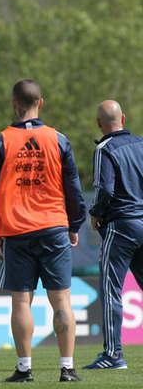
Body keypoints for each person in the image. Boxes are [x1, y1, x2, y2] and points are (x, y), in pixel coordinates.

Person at [0, 79, 86, 382]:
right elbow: (74, 188)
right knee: (62, 302)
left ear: (14, 103)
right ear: (40, 103)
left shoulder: (1, 142)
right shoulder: (58, 139)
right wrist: (75, 223)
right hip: (54, 225)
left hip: (16, 230)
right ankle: (67, 368)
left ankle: (24, 368)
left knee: (20, 301)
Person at [84, 100, 143, 370]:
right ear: (125, 118)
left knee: (111, 291)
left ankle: (113, 355)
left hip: (121, 226)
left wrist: (96, 213)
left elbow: (105, 190)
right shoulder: (141, 144)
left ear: (99, 124)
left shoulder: (104, 149)